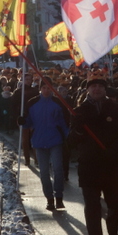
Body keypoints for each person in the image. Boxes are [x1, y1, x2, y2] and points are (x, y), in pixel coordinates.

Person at [69, 71, 118, 235]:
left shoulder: (116, 109)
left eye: (100, 86)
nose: (96, 89)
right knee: (92, 210)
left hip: (111, 165)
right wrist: (78, 128)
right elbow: (70, 141)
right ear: (88, 89)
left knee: (116, 206)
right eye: (93, 86)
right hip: (89, 167)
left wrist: (115, 149)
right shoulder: (79, 111)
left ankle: (113, 229)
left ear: (105, 89)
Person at [20, 77, 70, 211]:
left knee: (58, 169)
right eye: (44, 88)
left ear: (52, 88)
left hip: (55, 140)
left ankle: (59, 197)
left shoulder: (58, 103)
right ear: (40, 88)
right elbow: (29, 122)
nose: (46, 90)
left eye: (49, 88)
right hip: (39, 141)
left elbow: (64, 123)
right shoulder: (32, 103)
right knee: (44, 172)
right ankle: (49, 199)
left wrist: (69, 137)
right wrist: (23, 121)